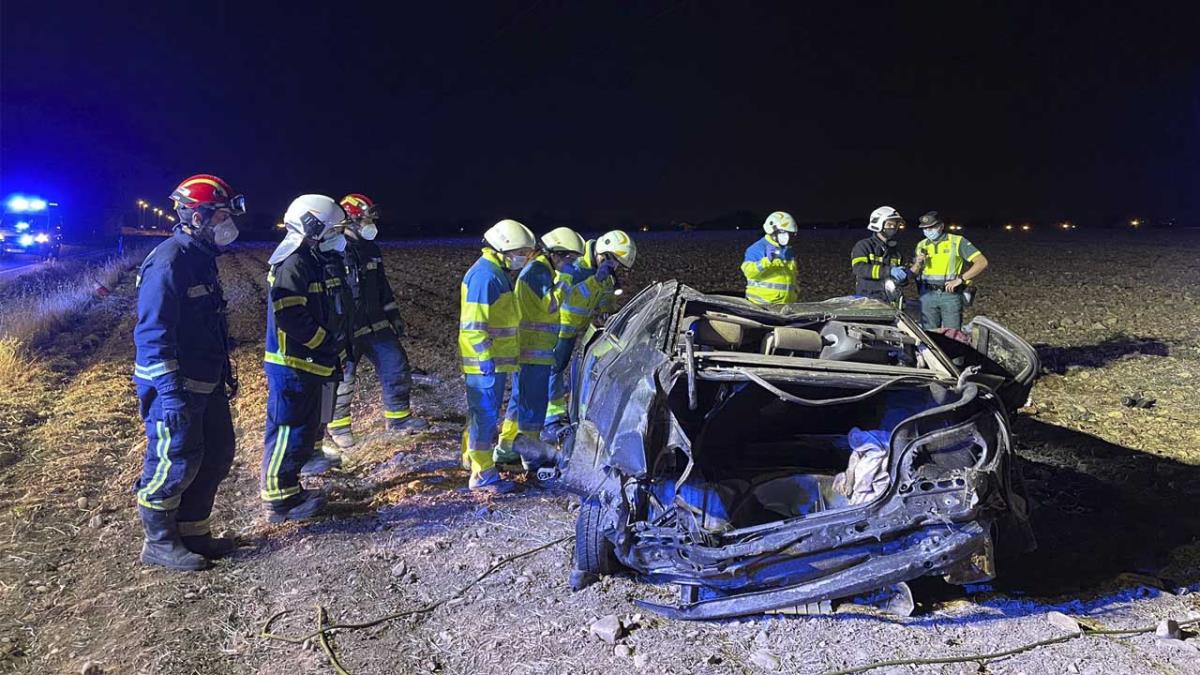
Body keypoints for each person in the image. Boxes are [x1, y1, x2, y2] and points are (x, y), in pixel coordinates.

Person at [132, 174, 245, 570]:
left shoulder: (200, 260)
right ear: (196, 216)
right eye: (220, 216)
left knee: (216, 454)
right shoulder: (169, 261)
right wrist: (169, 391)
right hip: (176, 387)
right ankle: (159, 542)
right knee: (175, 461)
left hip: (205, 382)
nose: (226, 224)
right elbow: (152, 333)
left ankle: (194, 533)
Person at [261, 195, 352, 522]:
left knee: (301, 430)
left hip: (308, 364)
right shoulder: (295, 262)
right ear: (312, 227)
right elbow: (291, 314)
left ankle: (289, 491)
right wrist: (324, 342)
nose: (335, 235)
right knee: (288, 430)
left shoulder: (310, 259)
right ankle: (280, 501)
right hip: (294, 365)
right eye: (331, 229)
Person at [326, 194, 428, 450]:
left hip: (377, 325)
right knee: (343, 379)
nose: (371, 222)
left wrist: (393, 315)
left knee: (396, 367)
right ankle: (338, 428)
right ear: (350, 219)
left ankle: (398, 419)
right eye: (367, 217)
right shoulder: (333, 250)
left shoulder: (371, 249)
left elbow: (382, 286)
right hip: (347, 331)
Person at [494, 226, 585, 466]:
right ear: (557, 254)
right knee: (533, 405)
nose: (572, 264)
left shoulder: (538, 270)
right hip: (533, 351)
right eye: (570, 259)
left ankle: (507, 448)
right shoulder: (538, 272)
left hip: (530, 349)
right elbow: (552, 306)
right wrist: (565, 278)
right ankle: (531, 458)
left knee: (520, 401)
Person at [459, 219, 535, 492]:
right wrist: (483, 359)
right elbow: (474, 325)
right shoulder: (486, 276)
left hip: (493, 362)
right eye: (520, 253)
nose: (523, 258)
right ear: (503, 248)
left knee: (480, 416)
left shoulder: (495, 272)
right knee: (485, 419)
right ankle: (483, 475)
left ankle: (471, 460)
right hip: (484, 365)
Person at [910, 211, 989, 330]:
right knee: (929, 335)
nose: (928, 231)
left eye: (932, 227)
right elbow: (915, 271)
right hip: (926, 295)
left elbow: (982, 262)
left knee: (952, 335)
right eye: (925, 228)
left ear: (941, 226)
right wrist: (917, 263)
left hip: (950, 295)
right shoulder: (921, 245)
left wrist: (960, 279)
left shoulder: (957, 241)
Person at [850, 206, 907, 301]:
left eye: (896, 225)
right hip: (868, 299)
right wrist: (889, 271)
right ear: (879, 224)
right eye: (890, 224)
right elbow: (859, 268)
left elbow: (898, 276)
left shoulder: (895, 250)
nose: (893, 228)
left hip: (891, 299)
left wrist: (903, 279)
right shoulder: (864, 245)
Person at [741, 211, 799, 305]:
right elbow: (748, 272)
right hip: (761, 305)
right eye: (784, 233)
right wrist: (766, 261)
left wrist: (796, 291)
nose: (788, 237)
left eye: (791, 234)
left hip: (786, 304)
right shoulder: (757, 249)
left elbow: (791, 274)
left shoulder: (788, 250)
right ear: (772, 231)